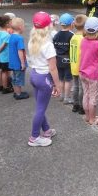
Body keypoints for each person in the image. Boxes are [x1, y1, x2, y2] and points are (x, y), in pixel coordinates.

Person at [27, 12, 62, 147]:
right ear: (49, 25)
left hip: (34, 75)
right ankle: (34, 137)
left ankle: (46, 130)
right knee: (40, 109)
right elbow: (53, 68)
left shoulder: (32, 40)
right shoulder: (48, 45)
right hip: (44, 78)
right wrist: (57, 85)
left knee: (39, 107)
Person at [80, 17, 98, 125]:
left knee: (86, 94)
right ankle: (92, 119)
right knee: (93, 97)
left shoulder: (83, 41)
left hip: (82, 72)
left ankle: (87, 116)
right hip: (93, 74)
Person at [53, 13, 74, 105]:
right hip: (68, 59)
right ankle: (67, 97)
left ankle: (61, 95)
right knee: (68, 79)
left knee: (61, 79)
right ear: (71, 24)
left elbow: (54, 46)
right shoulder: (71, 35)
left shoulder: (57, 35)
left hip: (58, 59)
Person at [8, 17, 29, 100]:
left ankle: (16, 92)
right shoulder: (19, 38)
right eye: (24, 26)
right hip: (18, 63)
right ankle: (18, 93)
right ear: (20, 27)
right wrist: (23, 63)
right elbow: (20, 51)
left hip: (13, 62)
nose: (24, 27)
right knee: (19, 79)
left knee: (15, 77)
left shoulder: (12, 36)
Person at [69, 14, 87, 114]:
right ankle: (81, 106)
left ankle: (75, 104)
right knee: (81, 87)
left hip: (73, 64)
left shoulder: (73, 37)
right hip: (81, 66)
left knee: (75, 86)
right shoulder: (83, 39)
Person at [0, 15, 13, 94]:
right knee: (5, 72)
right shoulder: (7, 35)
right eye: (10, 22)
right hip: (5, 56)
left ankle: (0, 85)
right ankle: (6, 87)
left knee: (0, 70)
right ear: (7, 24)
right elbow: (3, 45)